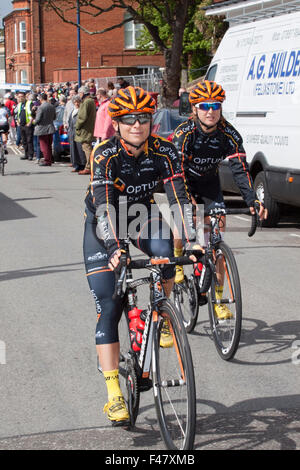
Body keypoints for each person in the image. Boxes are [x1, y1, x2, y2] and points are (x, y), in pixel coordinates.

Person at [83, 86, 200, 426]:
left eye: (144, 118)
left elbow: (179, 196)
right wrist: (114, 249)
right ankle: (114, 395)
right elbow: (104, 207)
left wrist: (193, 240)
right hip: (104, 222)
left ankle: (160, 315)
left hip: (140, 214)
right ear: (116, 123)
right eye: (129, 119)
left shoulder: (164, 151)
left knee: (165, 252)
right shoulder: (104, 154)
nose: (137, 124)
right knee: (109, 304)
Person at [172, 80, 268, 319]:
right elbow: (176, 172)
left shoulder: (229, 133)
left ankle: (219, 299)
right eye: (204, 105)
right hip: (184, 183)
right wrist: (187, 203)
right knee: (182, 229)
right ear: (194, 108)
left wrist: (252, 200)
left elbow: (240, 169)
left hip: (209, 184)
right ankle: (176, 263)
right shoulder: (184, 133)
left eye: (216, 105)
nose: (210, 111)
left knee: (216, 241)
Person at [75, 86, 96, 175]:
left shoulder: (86, 102)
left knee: (87, 148)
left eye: (80, 93)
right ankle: (89, 166)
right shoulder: (91, 101)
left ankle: (88, 167)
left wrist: (77, 126)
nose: (79, 95)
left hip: (85, 129)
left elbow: (82, 117)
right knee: (88, 147)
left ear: (83, 93)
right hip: (89, 128)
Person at [33, 93, 56, 167]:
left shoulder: (41, 107)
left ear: (40, 99)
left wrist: (34, 121)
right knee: (49, 145)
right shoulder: (52, 106)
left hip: (42, 128)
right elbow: (54, 117)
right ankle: (49, 159)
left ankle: (47, 160)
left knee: (44, 146)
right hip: (50, 127)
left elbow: (38, 119)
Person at [68, 95, 86, 172]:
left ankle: (82, 165)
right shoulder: (73, 110)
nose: (76, 103)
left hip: (79, 132)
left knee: (79, 149)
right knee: (73, 149)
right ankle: (76, 165)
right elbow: (70, 121)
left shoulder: (81, 110)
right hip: (72, 132)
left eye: (78, 102)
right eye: (75, 102)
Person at [16, 92, 34, 161]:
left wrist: (30, 122)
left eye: (21, 96)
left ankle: (30, 155)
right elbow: (18, 114)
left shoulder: (29, 103)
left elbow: (33, 114)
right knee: (24, 141)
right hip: (21, 125)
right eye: (19, 96)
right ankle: (26, 154)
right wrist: (17, 121)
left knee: (29, 140)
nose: (20, 98)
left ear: (24, 97)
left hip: (28, 125)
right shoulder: (20, 104)